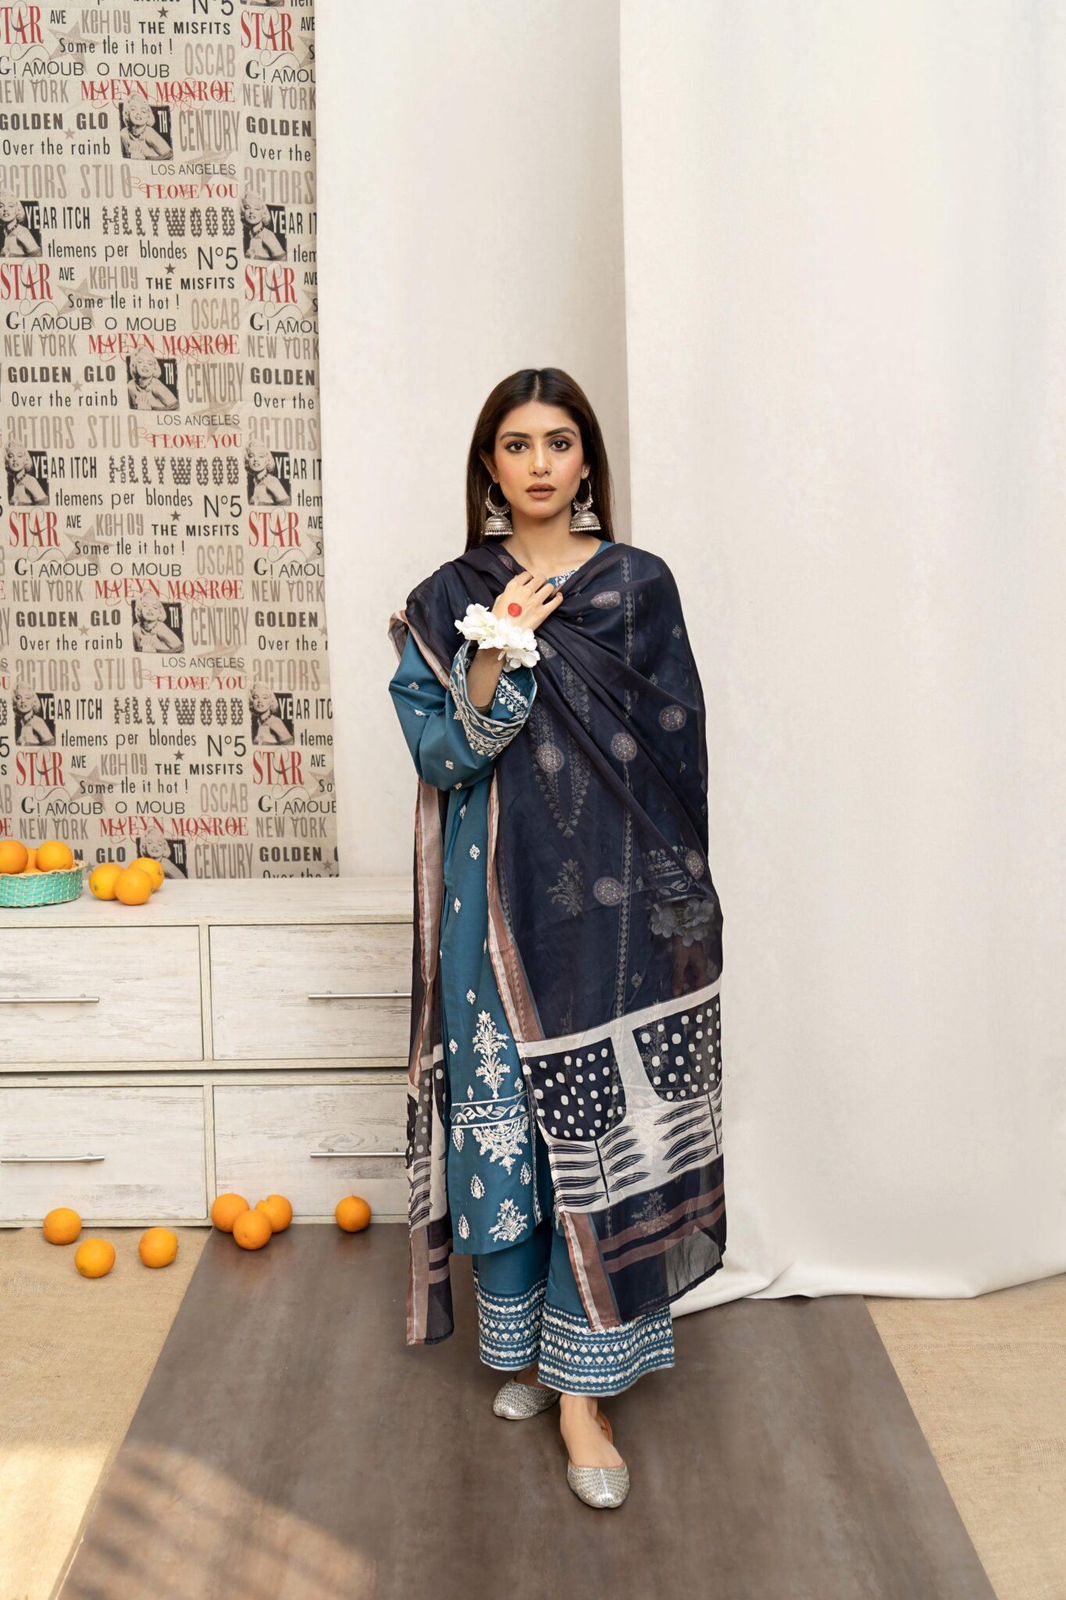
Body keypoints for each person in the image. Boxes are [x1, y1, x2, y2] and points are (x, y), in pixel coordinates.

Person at [387, 368, 726, 1509]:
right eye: (518, 444)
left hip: (617, 918)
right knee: (516, 1128)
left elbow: (675, 746)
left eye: (561, 442)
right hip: (496, 910)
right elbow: (442, 756)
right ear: (489, 464)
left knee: (593, 1129)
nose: (540, 464)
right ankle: (537, 1348)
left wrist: (678, 906)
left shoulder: (637, 586)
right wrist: (497, 652)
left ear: (588, 460)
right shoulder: (450, 596)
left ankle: (586, 1394)